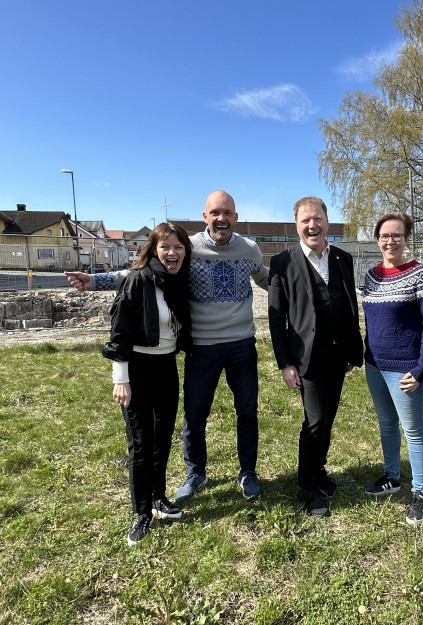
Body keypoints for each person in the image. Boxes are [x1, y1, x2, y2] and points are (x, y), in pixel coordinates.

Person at [67, 190, 269, 504]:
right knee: (195, 414)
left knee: (247, 411)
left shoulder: (250, 250)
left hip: (242, 343)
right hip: (202, 347)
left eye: (227, 213)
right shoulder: (189, 247)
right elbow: (143, 272)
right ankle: (196, 472)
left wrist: (303, 283)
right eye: (215, 212)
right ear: (205, 217)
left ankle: (247, 472)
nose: (221, 218)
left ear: (236, 217)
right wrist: (95, 280)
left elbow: (268, 280)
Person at [267, 196, 363, 518]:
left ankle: (319, 469)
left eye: (317, 218)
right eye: (305, 220)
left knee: (329, 419)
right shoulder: (283, 263)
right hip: (306, 359)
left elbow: (350, 306)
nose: (312, 225)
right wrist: (285, 363)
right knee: (315, 421)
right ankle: (308, 487)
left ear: (327, 221)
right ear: (296, 225)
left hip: (338, 357)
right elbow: (276, 319)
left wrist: (353, 349)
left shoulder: (343, 259)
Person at [101, 222, 192, 546]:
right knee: (141, 442)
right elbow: (120, 332)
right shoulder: (138, 280)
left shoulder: (177, 282)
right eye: (166, 246)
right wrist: (121, 379)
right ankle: (141, 512)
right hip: (137, 368)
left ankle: (159, 497)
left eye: (178, 247)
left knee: (163, 437)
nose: (172, 252)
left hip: (166, 366)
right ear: (153, 249)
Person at [361, 213, 423, 525]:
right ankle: (392, 476)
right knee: (387, 424)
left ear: (406, 239)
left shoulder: (420, 274)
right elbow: (371, 322)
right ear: (377, 239)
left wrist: (421, 369)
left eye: (398, 235)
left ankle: (421, 492)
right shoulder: (371, 276)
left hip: (406, 370)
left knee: (414, 431)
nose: (391, 241)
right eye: (385, 235)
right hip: (375, 366)